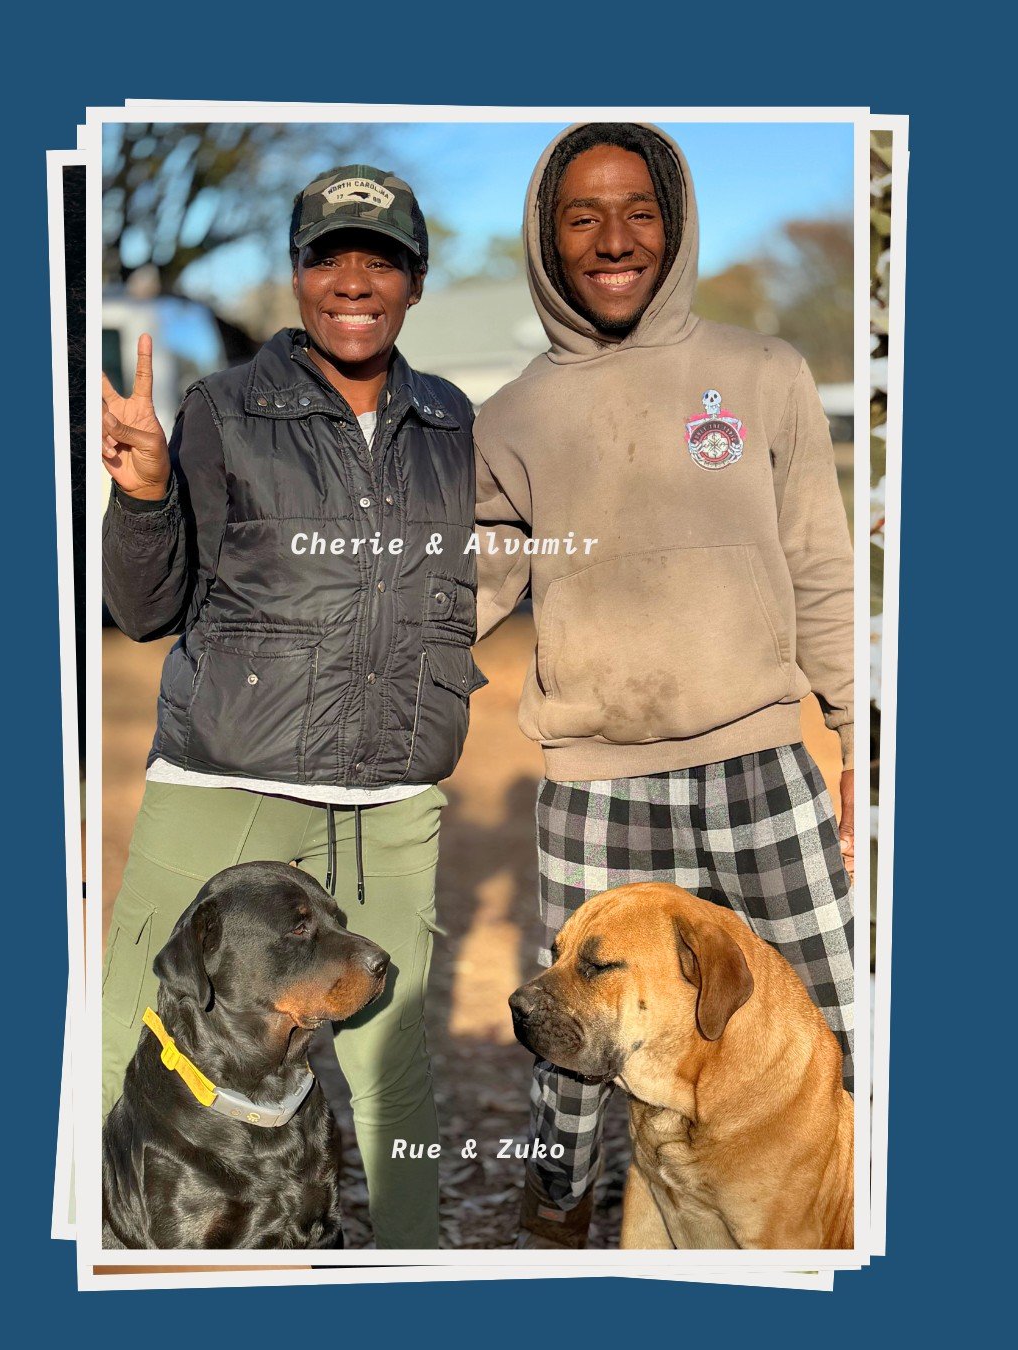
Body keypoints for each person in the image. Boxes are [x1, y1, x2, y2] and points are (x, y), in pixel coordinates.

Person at [474, 123, 855, 1249]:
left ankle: (863, 1215)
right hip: (598, 778)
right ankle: (561, 1215)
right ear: (549, 239)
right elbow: (470, 592)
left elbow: (821, 562)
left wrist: (859, 725)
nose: (613, 238)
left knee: (832, 1007)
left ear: (675, 223)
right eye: (581, 216)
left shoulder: (765, 375)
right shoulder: (511, 418)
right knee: (573, 1042)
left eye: (637, 209)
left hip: (759, 760)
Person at [100, 163, 486, 1250]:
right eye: (330, 256)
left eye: (382, 259)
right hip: (225, 782)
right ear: (299, 274)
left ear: (414, 279)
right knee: (132, 1038)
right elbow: (148, 606)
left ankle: (408, 1276)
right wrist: (140, 496)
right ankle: (94, 1264)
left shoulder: (454, 420)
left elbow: (469, 577)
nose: (353, 280)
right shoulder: (221, 409)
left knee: (392, 1074)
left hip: (393, 798)